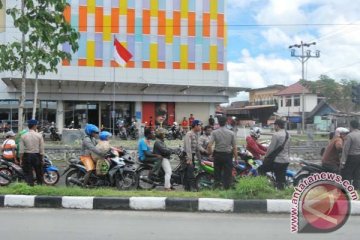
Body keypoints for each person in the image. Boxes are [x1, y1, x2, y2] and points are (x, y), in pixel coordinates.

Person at [207, 116, 237, 190]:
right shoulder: (231, 133)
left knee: (217, 173)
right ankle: (226, 189)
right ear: (226, 122)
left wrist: (210, 154)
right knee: (227, 174)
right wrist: (236, 158)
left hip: (218, 155)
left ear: (219, 123)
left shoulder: (214, 132)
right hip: (227, 156)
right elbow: (234, 147)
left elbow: (209, 146)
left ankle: (217, 188)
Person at [259, 119, 290, 190]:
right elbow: (289, 149)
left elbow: (270, 149)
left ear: (277, 126)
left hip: (277, 161)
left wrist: (265, 157)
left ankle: (266, 185)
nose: (274, 127)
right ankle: (281, 192)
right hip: (286, 161)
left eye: (274, 125)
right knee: (281, 178)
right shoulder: (288, 135)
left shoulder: (276, 135)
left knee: (261, 169)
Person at [19, 119, 45, 186]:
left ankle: (30, 186)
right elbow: (41, 149)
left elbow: (21, 150)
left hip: (27, 156)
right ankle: (40, 186)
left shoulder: (23, 136)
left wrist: (21, 159)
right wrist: (42, 158)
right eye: (36, 125)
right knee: (39, 172)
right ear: (34, 126)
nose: (36, 126)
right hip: (37, 155)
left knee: (28, 173)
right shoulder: (39, 135)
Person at [183, 119, 202, 191]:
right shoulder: (189, 134)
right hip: (188, 155)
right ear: (196, 126)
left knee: (190, 171)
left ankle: (187, 188)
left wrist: (200, 159)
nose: (201, 127)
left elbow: (197, 148)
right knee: (190, 172)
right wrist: (189, 159)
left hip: (192, 155)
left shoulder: (196, 134)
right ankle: (191, 188)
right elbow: (188, 148)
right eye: (199, 125)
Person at [341, 120, 360, 189]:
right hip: (359, 156)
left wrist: (343, 161)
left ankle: (347, 188)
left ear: (351, 126)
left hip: (351, 157)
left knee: (347, 173)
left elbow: (345, 149)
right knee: (357, 173)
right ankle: (357, 188)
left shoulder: (350, 136)